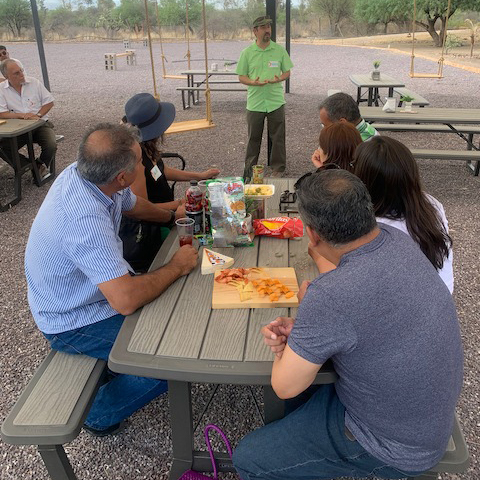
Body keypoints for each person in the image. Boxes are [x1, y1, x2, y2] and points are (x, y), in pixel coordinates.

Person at [233, 169, 463, 480]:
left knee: (248, 458)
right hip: (427, 416)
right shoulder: (396, 239)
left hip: (393, 446)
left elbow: (284, 387)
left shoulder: (328, 295)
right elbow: (359, 308)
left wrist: (287, 345)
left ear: (312, 234)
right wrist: (310, 328)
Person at [24, 123, 198, 436]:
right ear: (122, 177)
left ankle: (117, 372)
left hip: (89, 296)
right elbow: (126, 300)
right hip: (72, 320)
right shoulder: (84, 220)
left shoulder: (87, 175)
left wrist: (172, 216)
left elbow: (131, 205)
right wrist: (177, 265)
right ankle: (99, 413)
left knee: (171, 316)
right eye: (140, 162)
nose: (145, 164)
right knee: (172, 355)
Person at [120, 92, 220, 272]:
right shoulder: (135, 158)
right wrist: (180, 203)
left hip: (168, 215)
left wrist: (199, 176)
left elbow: (160, 170)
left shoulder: (145, 146)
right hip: (152, 229)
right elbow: (142, 207)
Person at [354, 135, 454, 292]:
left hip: (409, 308)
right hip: (442, 294)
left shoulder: (376, 228)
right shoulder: (431, 204)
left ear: (365, 181)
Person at [236, 15, 293, 180]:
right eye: (263, 27)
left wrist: (280, 78)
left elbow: (287, 72)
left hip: (276, 101)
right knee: (253, 138)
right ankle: (249, 172)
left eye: (269, 27)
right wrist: (252, 82)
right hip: (255, 103)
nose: (267, 30)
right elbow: (241, 77)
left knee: (278, 137)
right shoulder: (247, 53)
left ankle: (278, 168)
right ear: (255, 31)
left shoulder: (279, 50)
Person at [0, 59, 56, 178]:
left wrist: (38, 115)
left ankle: (40, 163)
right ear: (6, 76)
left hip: (40, 124)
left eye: (21, 71)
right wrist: (21, 115)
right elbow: (2, 113)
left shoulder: (34, 83)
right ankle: (30, 166)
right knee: (2, 147)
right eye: (16, 73)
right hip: (18, 128)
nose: (22, 75)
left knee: (51, 144)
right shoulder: (1, 89)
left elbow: (49, 102)